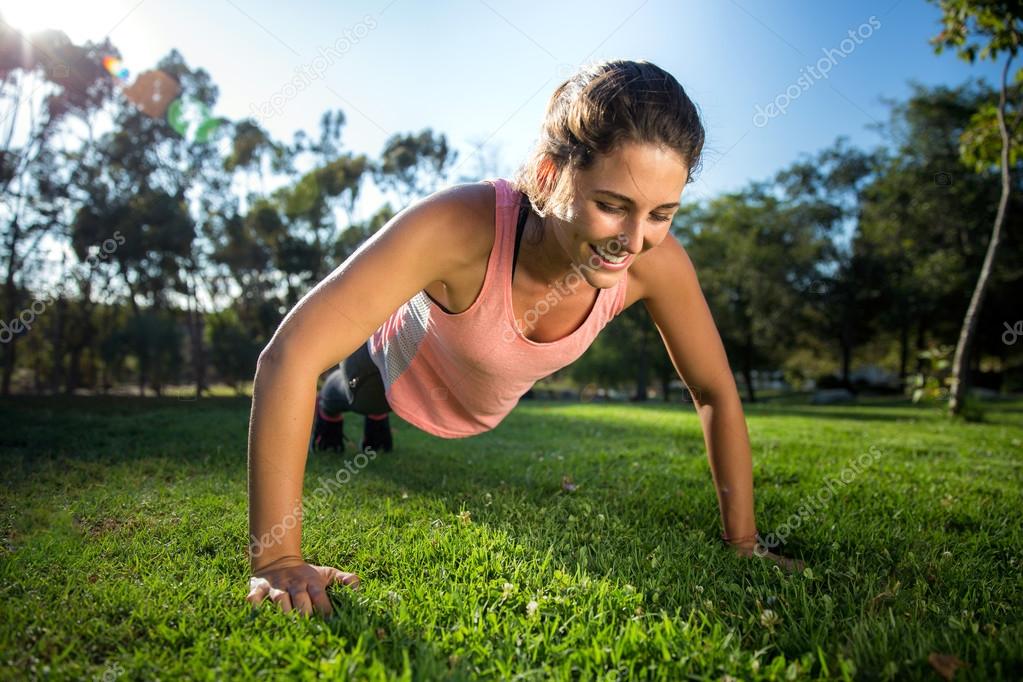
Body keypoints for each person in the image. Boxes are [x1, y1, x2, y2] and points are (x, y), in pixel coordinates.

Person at [247, 59, 800, 619]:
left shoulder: (654, 266)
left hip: (482, 400)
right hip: (392, 371)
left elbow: (715, 391)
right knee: (349, 391)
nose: (633, 240)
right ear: (546, 173)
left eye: (661, 214)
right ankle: (334, 411)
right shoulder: (456, 226)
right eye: (611, 206)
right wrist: (276, 560)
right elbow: (288, 356)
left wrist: (743, 542)